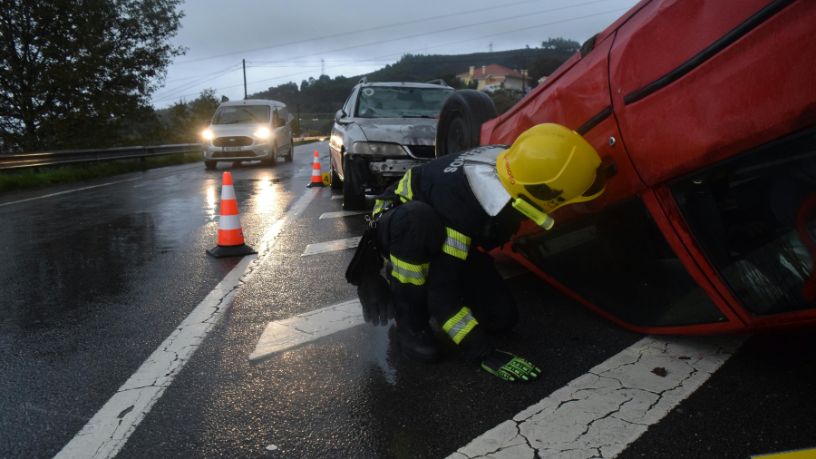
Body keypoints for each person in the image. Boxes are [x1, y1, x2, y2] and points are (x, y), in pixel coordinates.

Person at [346, 123, 614, 382]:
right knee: (418, 227)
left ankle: (437, 283)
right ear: (543, 193)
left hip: (445, 222)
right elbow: (442, 295)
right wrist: (482, 352)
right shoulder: (463, 209)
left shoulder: (519, 162)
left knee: (501, 318)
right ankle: (410, 323)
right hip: (401, 222)